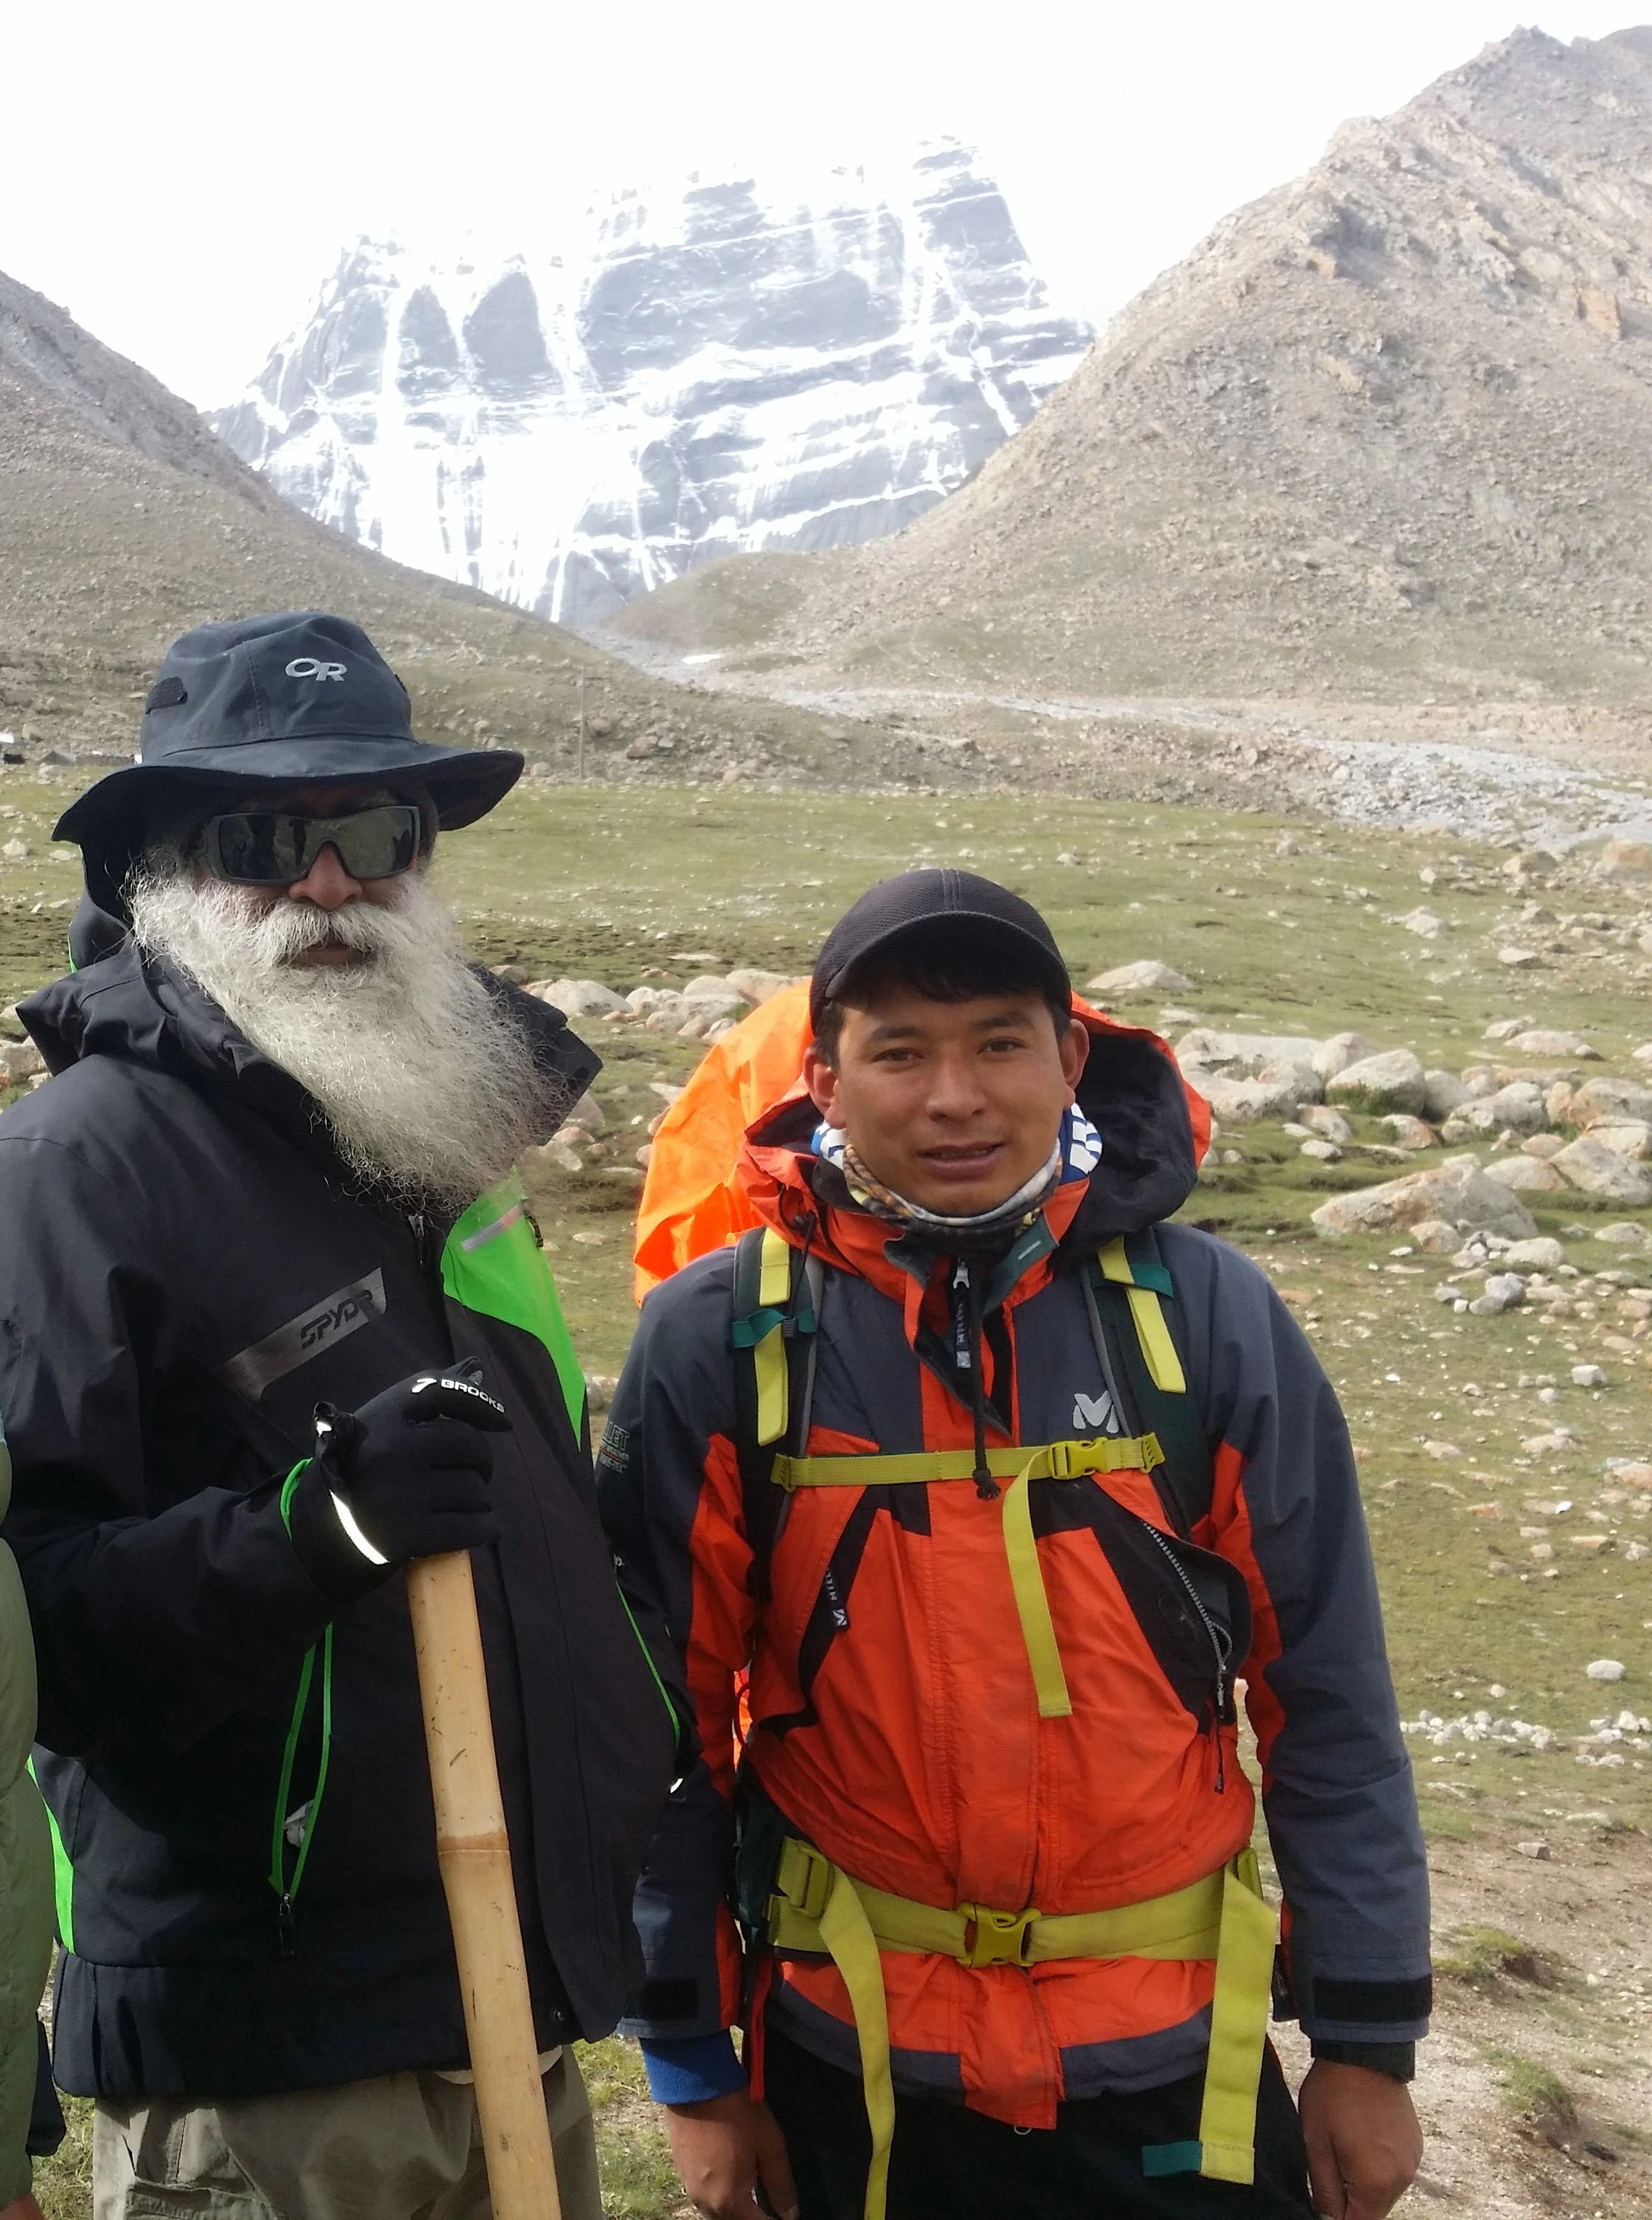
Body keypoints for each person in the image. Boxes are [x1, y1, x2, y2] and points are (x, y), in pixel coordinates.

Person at [597, 869, 1430, 2220]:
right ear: (823, 1073)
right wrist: (694, 2064)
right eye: (900, 1051)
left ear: (1071, 1056)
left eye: (998, 1041)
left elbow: (1327, 1696)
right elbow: (657, 1737)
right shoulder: (721, 1339)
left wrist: (1366, 2045)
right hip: (847, 2065)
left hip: (1175, 2069)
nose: (955, 1097)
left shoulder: (1203, 1316)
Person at [0, 612, 684, 2219]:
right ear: (160, 873)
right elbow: (30, 1631)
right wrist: (309, 1536)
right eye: (262, 842)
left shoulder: (431, 1135)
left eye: (373, 833)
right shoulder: (76, 1178)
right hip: (270, 2073)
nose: (327, 885)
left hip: (512, 2019)